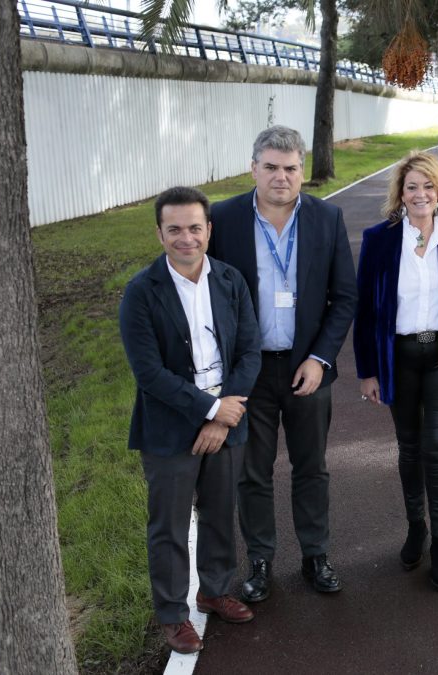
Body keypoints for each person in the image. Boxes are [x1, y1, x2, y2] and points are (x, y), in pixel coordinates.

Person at [208, 126, 358, 602]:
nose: (281, 177)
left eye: (290, 168)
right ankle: (260, 560)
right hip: (247, 373)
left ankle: (315, 554)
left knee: (311, 467)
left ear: (301, 172)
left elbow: (345, 297)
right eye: (270, 167)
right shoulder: (223, 219)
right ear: (253, 168)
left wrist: (320, 358)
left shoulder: (326, 219)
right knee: (253, 471)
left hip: (306, 370)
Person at [119, 187, 261, 654]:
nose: (186, 238)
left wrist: (224, 414)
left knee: (221, 512)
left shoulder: (230, 280)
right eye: (175, 229)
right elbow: (149, 374)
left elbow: (248, 351)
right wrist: (208, 410)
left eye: (194, 228)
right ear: (159, 232)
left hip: (228, 415)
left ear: (209, 230)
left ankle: (214, 589)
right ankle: (173, 614)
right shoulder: (141, 292)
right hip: (169, 427)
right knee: (170, 524)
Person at [353, 151, 438, 591]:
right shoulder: (380, 240)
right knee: (409, 448)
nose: (421, 194)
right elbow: (367, 312)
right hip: (400, 358)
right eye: (412, 187)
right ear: (401, 194)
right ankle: (416, 526)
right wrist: (368, 371)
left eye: (429, 186)